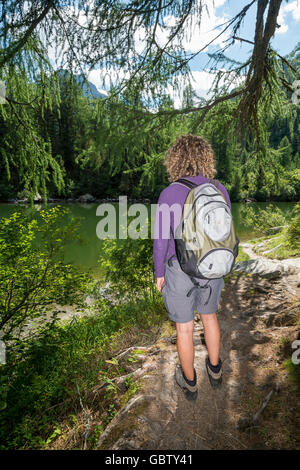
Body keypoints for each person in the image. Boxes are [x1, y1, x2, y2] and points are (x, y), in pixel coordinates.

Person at [153, 134, 232, 401]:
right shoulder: (219, 189)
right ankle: (215, 369)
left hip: (180, 270)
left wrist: (159, 273)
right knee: (210, 318)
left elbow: (161, 239)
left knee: (184, 328)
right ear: (205, 158)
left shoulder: (170, 193)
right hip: (212, 267)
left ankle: (189, 382)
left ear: (175, 159)